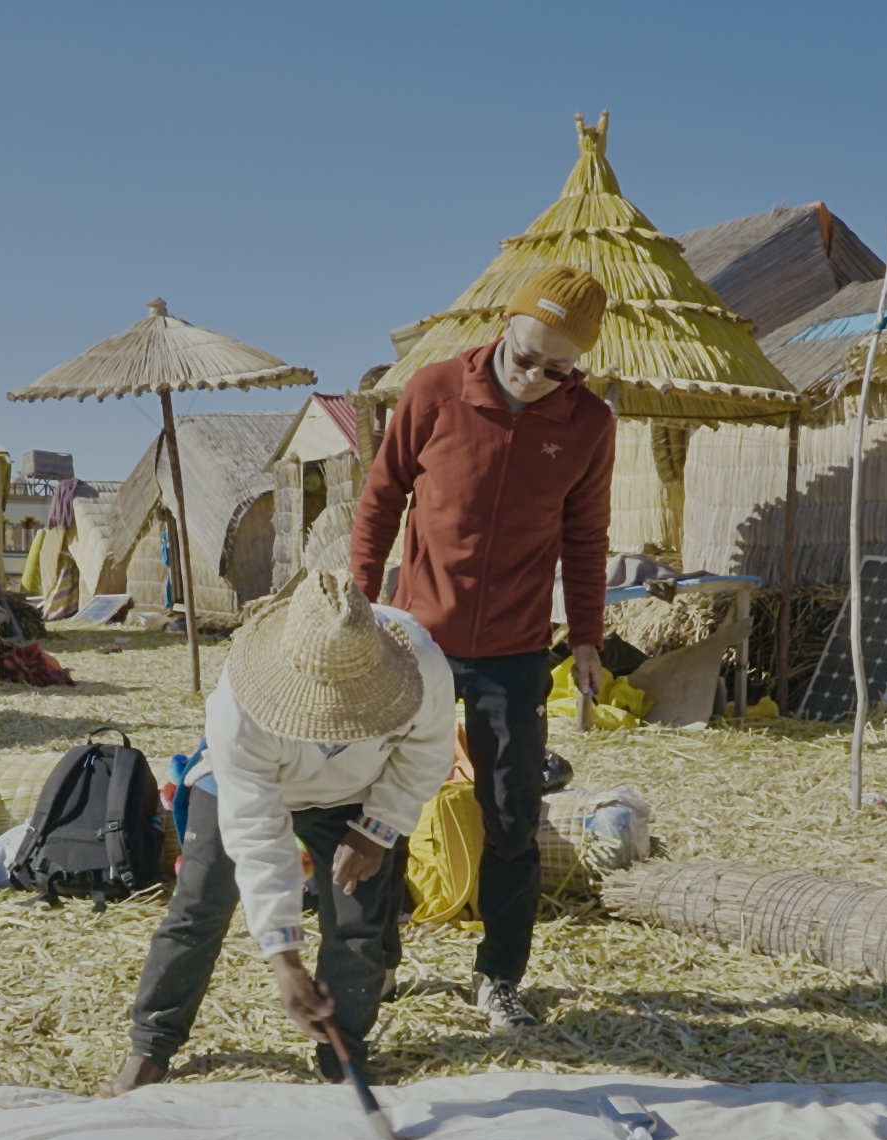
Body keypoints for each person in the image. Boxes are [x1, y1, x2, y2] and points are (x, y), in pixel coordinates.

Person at [347, 266, 615, 1030]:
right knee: (385, 806)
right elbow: (382, 497)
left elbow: (585, 539)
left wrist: (587, 638)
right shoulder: (434, 391)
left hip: (516, 651)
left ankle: (499, 976)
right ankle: (376, 961)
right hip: (414, 642)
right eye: (525, 356)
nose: (535, 377)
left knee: (511, 816)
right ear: (505, 325)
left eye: (557, 369)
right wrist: (359, 600)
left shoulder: (589, 425)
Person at [102, 571, 454, 1097]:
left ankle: (343, 1056)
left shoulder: (420, 663)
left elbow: (428, 752)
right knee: (199, 905)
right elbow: (257, 832)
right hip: (248, 787)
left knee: (357, 924)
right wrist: (283, 956)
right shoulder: (241, 703)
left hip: (356, 796)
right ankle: (151, 1046)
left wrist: (378, 828)